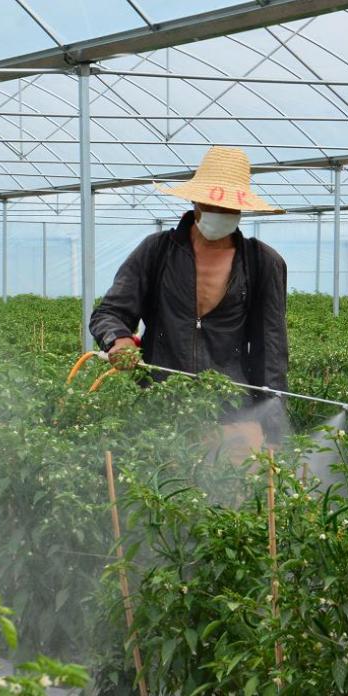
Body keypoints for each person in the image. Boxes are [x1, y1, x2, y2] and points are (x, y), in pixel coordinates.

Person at [89, 146, 289, 462]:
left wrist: (273, 429)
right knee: (161, 494)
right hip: (161, 410)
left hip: (233, 415)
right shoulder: (157, 252)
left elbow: (272, 349)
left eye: (228, 208)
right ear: (195, 201)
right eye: (213, 204)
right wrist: (120, 338)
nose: (219, 214)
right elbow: (110, 312)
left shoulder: (262, 263)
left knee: (231, 502)